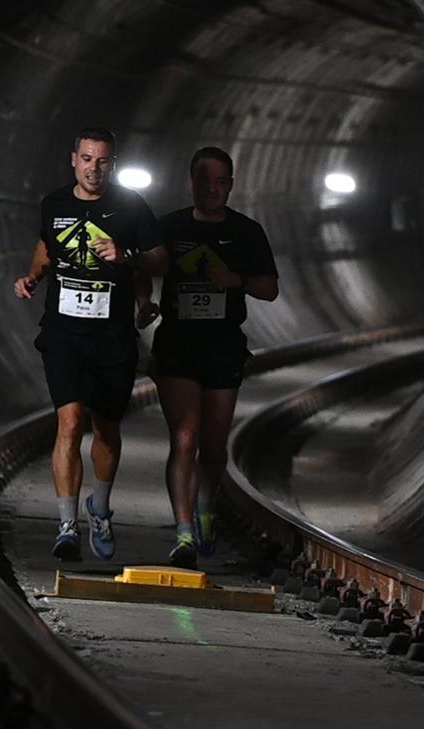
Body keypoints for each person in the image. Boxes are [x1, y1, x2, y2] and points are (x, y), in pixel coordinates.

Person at [13, 127, 167, 561]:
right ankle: (66, 525)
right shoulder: (55, 203)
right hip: (63, 331)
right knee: (69, 421)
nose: (93, 168)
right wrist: (33, 277)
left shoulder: (130, 207)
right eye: (86, 159)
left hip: (112, 336)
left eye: (102, 161)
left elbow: (160, 258)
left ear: (112, 164)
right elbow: (47, 247)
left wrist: (128, 258)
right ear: (73, 160)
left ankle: (99, 506)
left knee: (106, 428)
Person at [150, 146, 279, 569]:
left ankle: (206, 506)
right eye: (204, 180)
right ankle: (184, 531)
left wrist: (233, 280)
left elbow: (269, 288)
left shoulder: (246, 232)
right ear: (191, 182)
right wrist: (138, 300)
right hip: (178, 343)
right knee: (184, 438)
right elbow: (141, 268)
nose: (211, 189)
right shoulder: (169, 227)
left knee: (214, 442)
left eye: (220, 181)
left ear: (230, 185)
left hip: (222, 345)